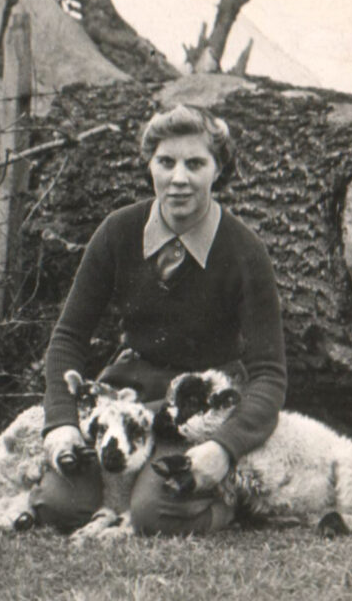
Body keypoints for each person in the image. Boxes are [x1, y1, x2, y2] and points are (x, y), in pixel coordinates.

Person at [30, 103, 287, 535]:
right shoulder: (118, 232)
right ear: (149, 165)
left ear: (217, 170)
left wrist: (224, 448)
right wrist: (61, 422)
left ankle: (230, 501)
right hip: (128, 399)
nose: (179, 179)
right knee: (59, 505)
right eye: (166, 162)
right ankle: (124, 489)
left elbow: (270, 373)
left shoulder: (244, 250)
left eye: (195, 163)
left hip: (196, 409)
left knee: (156, 514)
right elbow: (68, 337)